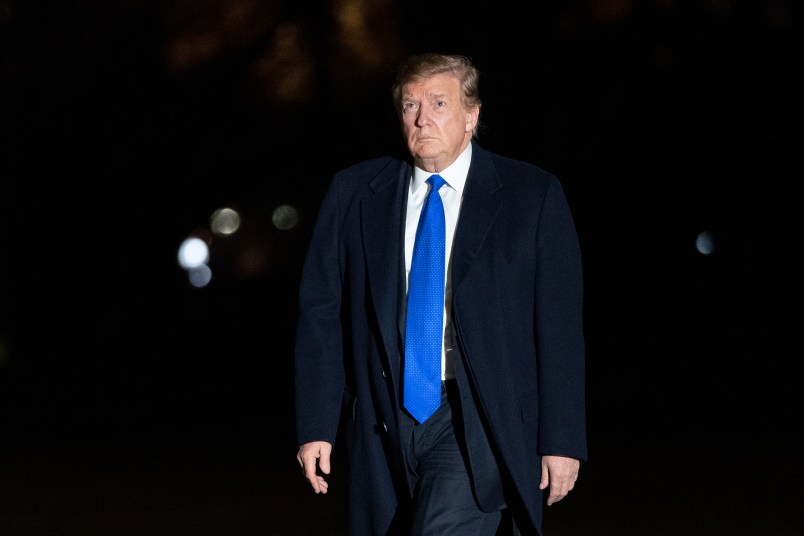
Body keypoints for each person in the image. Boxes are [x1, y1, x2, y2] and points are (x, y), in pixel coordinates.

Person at [294, 52, 587, 535]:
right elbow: (320, 313)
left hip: (475, 417)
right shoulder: (355, 193)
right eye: (410, 105)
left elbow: (557, 324)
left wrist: (562, 438)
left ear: (472, 115)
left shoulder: (530, 196)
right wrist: (316, 424)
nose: (422, 119)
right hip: (383, 419)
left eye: (438, 103)